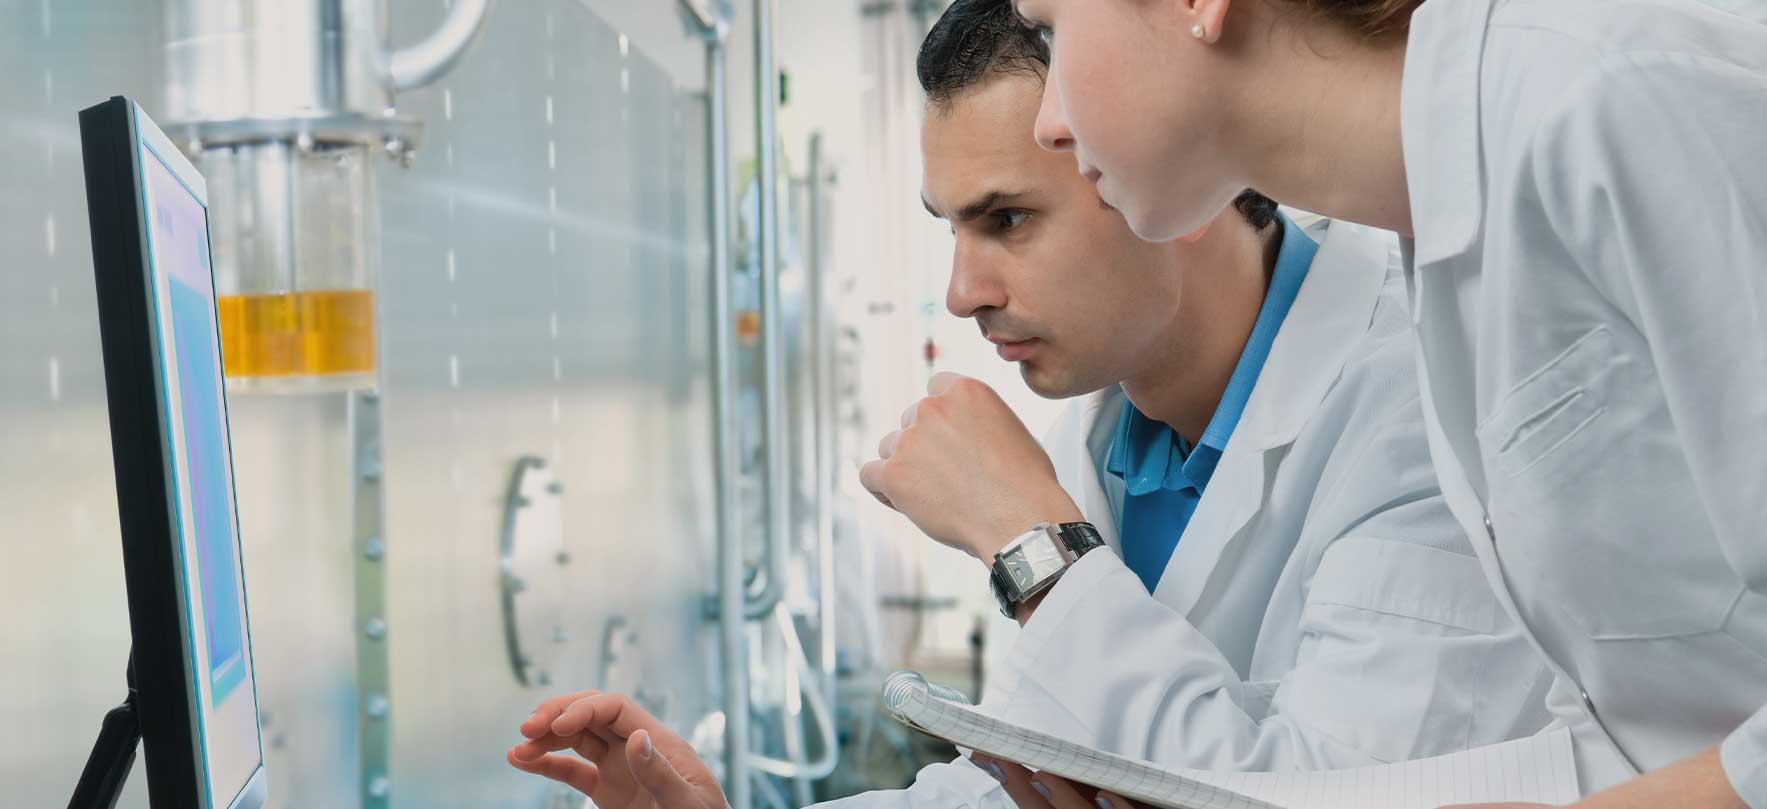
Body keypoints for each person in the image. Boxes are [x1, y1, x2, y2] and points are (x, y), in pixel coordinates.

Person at [507, 2, 1552, 806]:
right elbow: (1025, 781)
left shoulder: (1417, 400)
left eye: (1006, 219)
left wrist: (1032, 545)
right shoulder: (1106, 434)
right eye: (952, 227)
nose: (964, 292)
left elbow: (1316, 795)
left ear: (1150, 157)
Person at [938, 0, 1767, 807]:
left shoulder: (1619, 89)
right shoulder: (1445, 239)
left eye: (1051, 27)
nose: (1049, 122)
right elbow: (1631, 711)